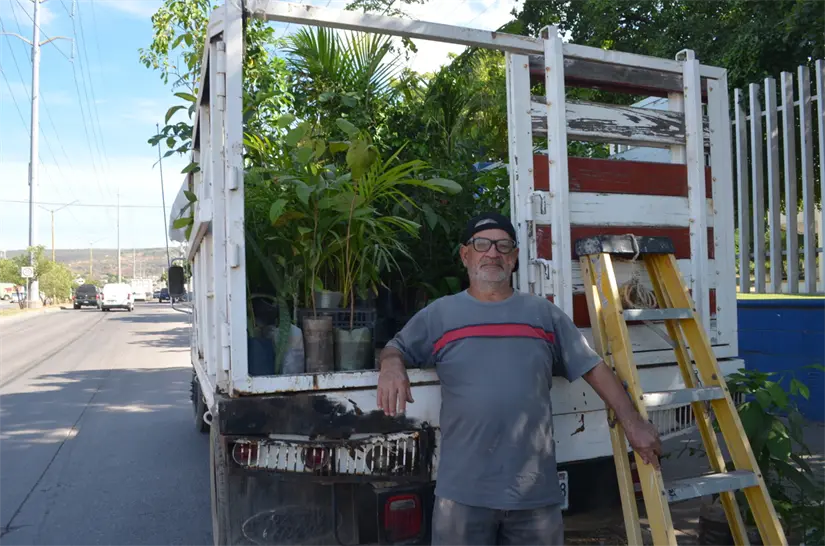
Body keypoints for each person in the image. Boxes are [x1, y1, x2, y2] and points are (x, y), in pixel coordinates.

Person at [376, 212, 662, 546]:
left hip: (534, 496)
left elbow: (593, 367)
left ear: (513, 258)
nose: (492, 253)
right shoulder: (440, 315)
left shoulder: (543, 314)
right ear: (465, 255)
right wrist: (391, 366)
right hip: (463, 495)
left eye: (503, 246)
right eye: (482, 244)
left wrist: (633, 423)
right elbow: (395, 347)